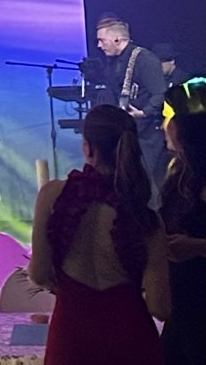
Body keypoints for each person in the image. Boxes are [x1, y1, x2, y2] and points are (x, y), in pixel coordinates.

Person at [30, 105, 169, 365]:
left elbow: (38, 274)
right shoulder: (145, 218)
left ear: (87, 148)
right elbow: (160, 307)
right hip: (131, 341)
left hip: (71, 339)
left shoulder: (51, 196)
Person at [95, 16, 170, 192]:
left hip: (147, 136)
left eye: (102, 40)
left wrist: (144, 112)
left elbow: (160, 93)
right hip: (127, 134)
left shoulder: (145, 59)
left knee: (148, 185)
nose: (99, 45)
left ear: (116, 39)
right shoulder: (113, 63)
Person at [160, 80, 206, 365]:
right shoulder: (179, 172)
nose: (163, 126)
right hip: (182, 307)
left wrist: (197, 246)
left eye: (169, 118)